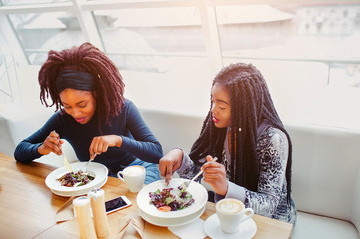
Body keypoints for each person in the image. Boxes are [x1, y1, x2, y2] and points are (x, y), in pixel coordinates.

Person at [159, 63, 296, 224]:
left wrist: (226, 188)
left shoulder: (274, 140)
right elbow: (200, 177)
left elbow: (268, 206)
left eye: (222, 106)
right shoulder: (221, 127)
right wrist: (181, 160)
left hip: (272, 223)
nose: (213, 110)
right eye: (213, 101)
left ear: (243, 108)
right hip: (230, 213)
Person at [14, 42, 162, 184]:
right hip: (98, 177)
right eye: (67, 106)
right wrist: (41, 149)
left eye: (82, 104)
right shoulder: (62, 120)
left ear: (96, 93)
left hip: (138, 170)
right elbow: (20, 151)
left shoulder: (123, 108)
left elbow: (156, 153)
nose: (76, 113)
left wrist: (117, 140)